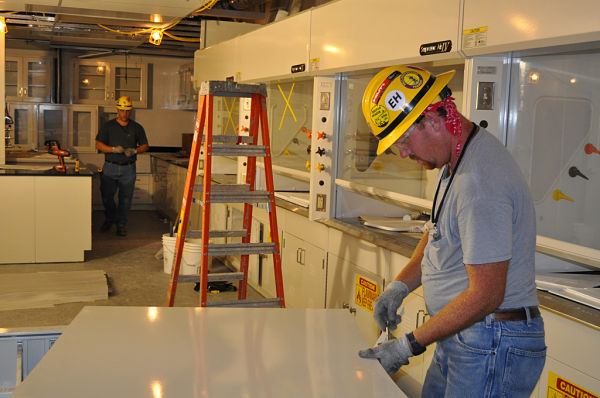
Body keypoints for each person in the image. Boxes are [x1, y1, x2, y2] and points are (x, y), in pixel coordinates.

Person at [357, 65, 546, 397]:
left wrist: (407, 346)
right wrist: (400, 287)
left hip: (491, 341)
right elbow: (435, 234)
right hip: (464, 333)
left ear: (432, 120)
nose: (402, 153)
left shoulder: (479, 182)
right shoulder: (454, 164)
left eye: (403, 141)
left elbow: (487, 294)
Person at [95, 96, 149, 237]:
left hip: (128, 168)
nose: (124, 114)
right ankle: (110, 218)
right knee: (107, 196)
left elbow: (145, 145)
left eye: (127, 111)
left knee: (126, 198)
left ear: (130, 111)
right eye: (122, 111)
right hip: (110, 167)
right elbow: (98, 144)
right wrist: (113, 149)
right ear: (117, 110)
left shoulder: (136, 127)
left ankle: (121, 224)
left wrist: (136, 150)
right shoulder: (108, 126)